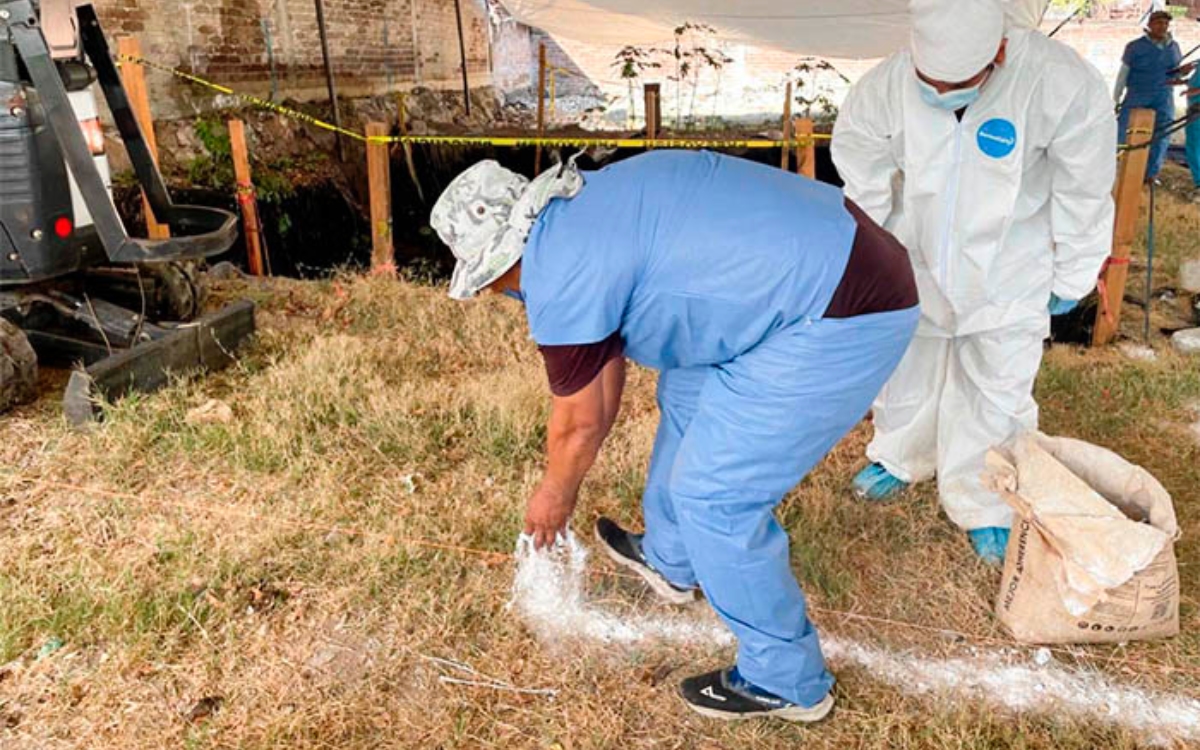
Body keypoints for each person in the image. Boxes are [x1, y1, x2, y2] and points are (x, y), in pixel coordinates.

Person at [431, 150, 920, 722]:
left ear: (503, 257)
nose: (498, 293)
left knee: (715, 496)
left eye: (493, 282)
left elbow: (580, 420)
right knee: (686, 389)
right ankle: (672, 560)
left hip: (843, 305)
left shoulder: (559, 267)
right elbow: (600, 376)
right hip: (833, 257)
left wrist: (553, 497)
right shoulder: (576, 212)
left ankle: (785, 679)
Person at [831, 0, 1116, 565]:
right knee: (908, 366)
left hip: (1012, 262)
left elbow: (1084, 186)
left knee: (997, 385)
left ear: (1001, 50)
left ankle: (984, 500)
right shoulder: (885, 86)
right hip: (914, 255)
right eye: (930, 82)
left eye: (959, 84)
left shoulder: (1062, 83)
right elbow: (860, 170)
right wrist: (871, 254)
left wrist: (1075, 269)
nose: (941, 94)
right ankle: (899, 455)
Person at [1114, 9, 1183, 182]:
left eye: (1166, 24)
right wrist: (1116, 97)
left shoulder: (1173, 47)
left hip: (1164, 97)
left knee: (1162, 134)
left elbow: (1175, 73)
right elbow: (1123, 74)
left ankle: (1150, 173)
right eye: (1159, 23)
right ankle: (1115, 166)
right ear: (1150, 25)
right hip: (1138, 94)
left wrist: (1181, 74)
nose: (1163, 27)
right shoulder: (1135, 47)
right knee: (1124, 131)